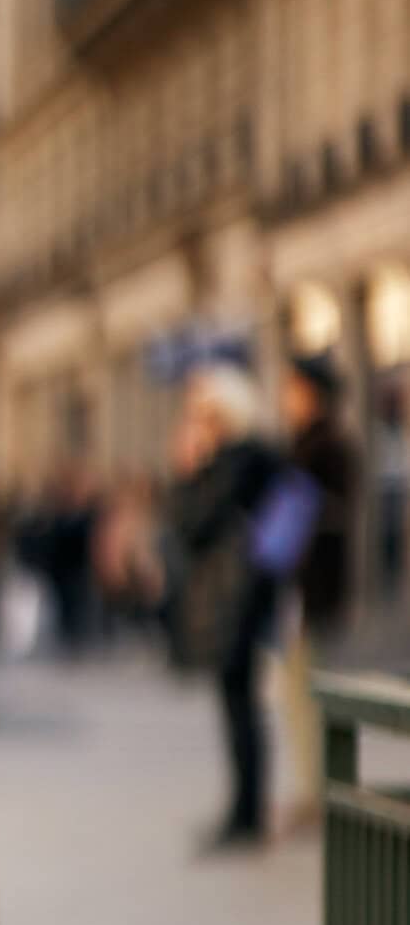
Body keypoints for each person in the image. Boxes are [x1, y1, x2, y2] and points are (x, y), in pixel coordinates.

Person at [168, 363, 283, 851]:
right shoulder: (254, 458)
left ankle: (247, 815)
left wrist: (189, 470)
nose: (198, 425)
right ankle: (244, 810)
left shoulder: (237, 462)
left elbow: (192, 523)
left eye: (206, 416)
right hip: (240, 598)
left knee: (241, 707)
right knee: (238, 706)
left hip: (236, 601)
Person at [276, 351, 357, 828]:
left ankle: (320, 791)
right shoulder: (307, 444)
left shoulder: (326, 447)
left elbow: (328, 521)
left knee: (312, 689)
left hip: (315, 588)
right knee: (297, 689)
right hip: (302, 587)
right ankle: (311, 788)